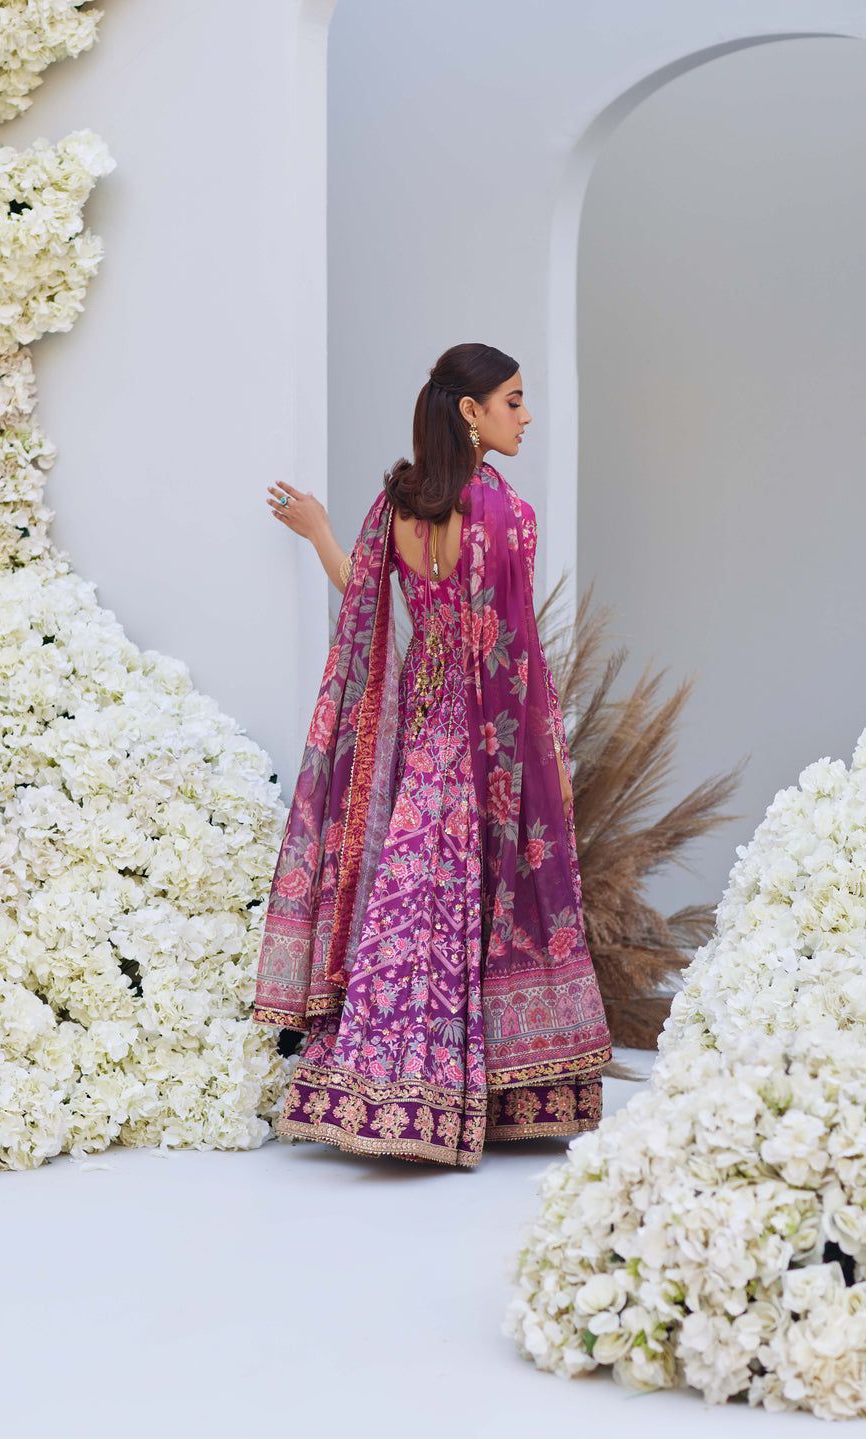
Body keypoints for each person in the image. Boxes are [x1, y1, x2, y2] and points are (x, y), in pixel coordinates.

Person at [253, 342, 612, 1168]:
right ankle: (483, 1094)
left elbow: (370, 593)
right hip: (488, 739)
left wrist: (319, 535)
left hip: (421, 736)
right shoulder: (505, 514)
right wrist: (542, 759)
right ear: (470, 411)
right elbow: (517, 654)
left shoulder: (398, 505)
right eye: (513, 401)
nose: (525, 417)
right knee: (476, 899)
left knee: (411, 897)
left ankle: (387, 1089)